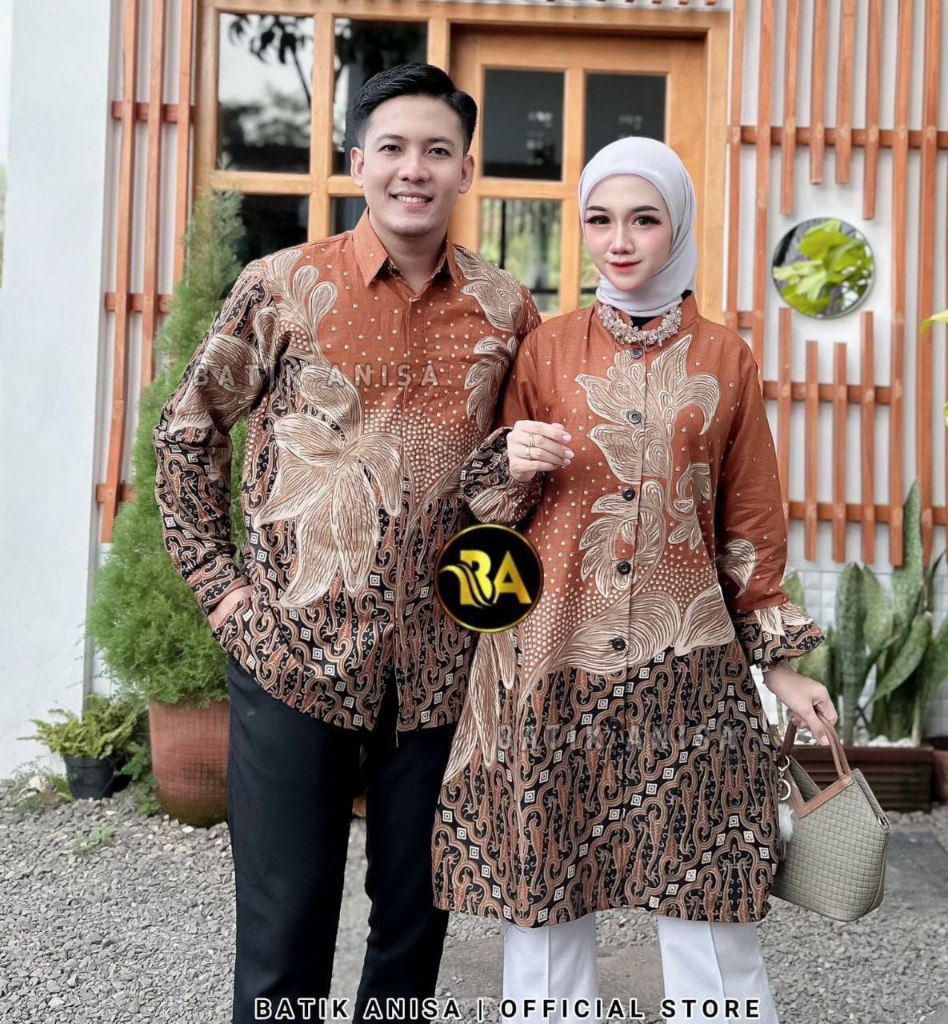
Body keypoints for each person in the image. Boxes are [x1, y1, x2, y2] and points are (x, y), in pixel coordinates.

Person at [153, 64, 539, 1024]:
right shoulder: (281, 286)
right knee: (285, 933)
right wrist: (225, 595)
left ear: (465, 170)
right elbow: (188, 431)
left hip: (441, 668)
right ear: (358, 161)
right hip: (293, 657)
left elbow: (505, 482)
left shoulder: (505, 310)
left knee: (413, 931)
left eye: (438, 151)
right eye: (394, 148)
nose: (415, 169)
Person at [433, 137, 837, 1024]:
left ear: (677, 225)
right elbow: (490, 520)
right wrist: (510, 461)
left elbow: (748, 526)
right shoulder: (543, 351)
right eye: (601, 219)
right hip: (551, 660)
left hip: (687, 669)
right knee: (545, 907)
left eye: (644, 219)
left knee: (709, 900)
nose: (619, 240)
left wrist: (780, 667)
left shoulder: (727, 360)